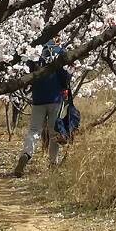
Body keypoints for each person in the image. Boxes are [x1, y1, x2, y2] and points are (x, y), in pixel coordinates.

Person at [13, 39, 71, 177]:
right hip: (55, 98)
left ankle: (26, 154)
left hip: (38, 98)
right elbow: (65, 75)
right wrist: (64, 87)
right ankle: (53, 163)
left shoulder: (35, 52)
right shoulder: (60, 51)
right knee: (53, 133)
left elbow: (28, 73)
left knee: (34, 130)